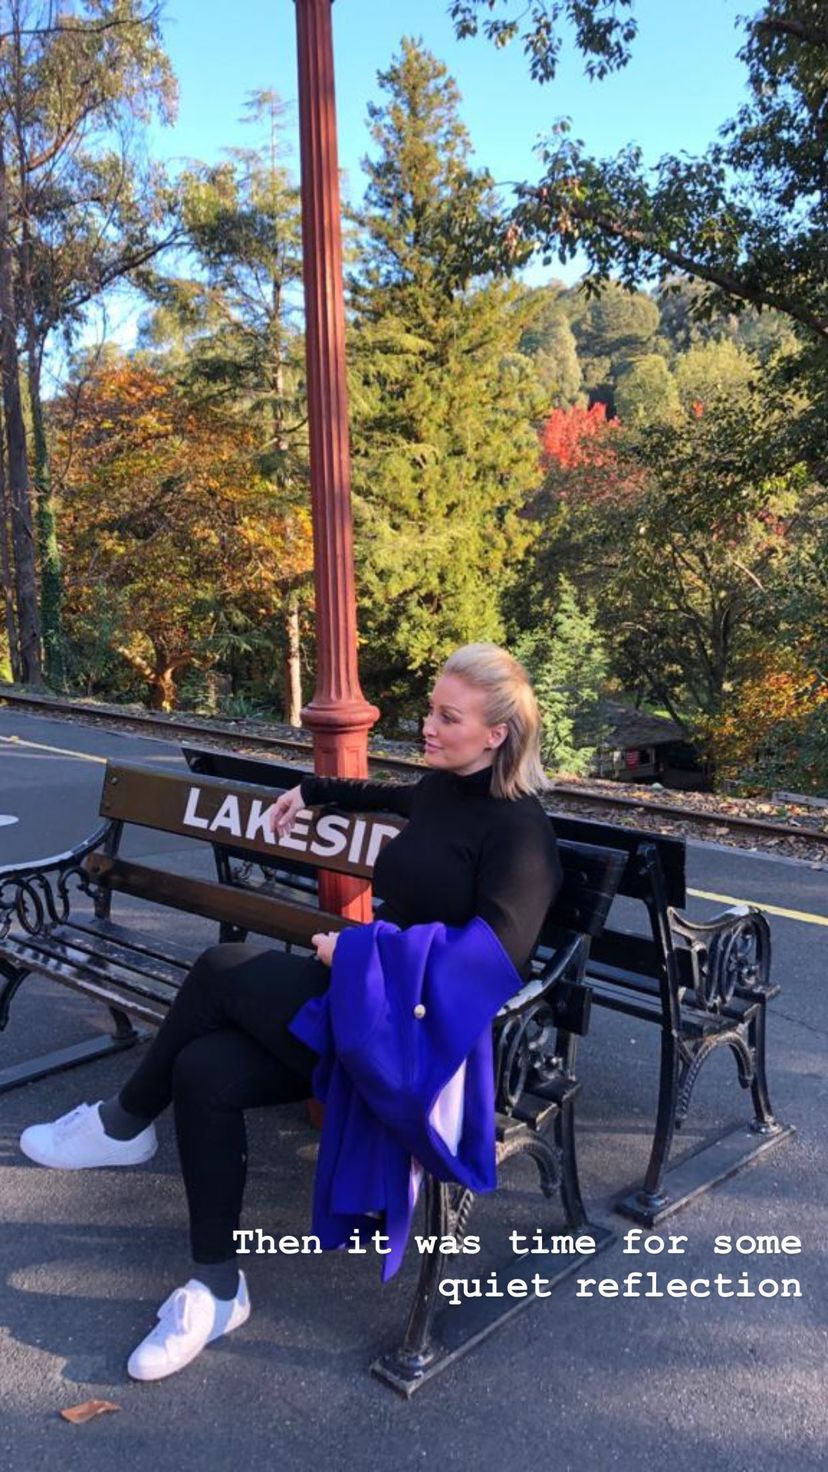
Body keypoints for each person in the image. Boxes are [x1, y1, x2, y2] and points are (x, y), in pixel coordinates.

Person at [18, 642, 563, 1381]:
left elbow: (492, 964)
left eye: (447, 717)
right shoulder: (442, 789)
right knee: (202, 1071)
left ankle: (123, 1123)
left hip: (415, 1038)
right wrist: (313, 791)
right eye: (430, 711)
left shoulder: (522, 834)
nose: (427, 727)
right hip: (364, 1005)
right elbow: (390, 798)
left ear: (496, 734)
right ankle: (216, 1290)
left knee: (220, 968)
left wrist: (360, 955)